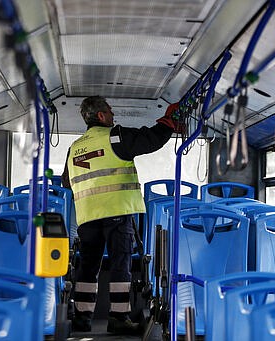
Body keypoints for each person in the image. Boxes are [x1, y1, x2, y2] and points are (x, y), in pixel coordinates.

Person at [61, 95, 181, 335]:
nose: (113, 114)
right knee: (120, 265)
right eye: (110, 111)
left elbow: (67, 181)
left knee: (87, 267)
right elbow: (150, 141)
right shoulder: (115, 136)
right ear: (102, 116)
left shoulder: (74, 148)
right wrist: (168, 122)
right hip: (116, 212)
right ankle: (118, 317)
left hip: (87, 217)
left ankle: (82, 318)